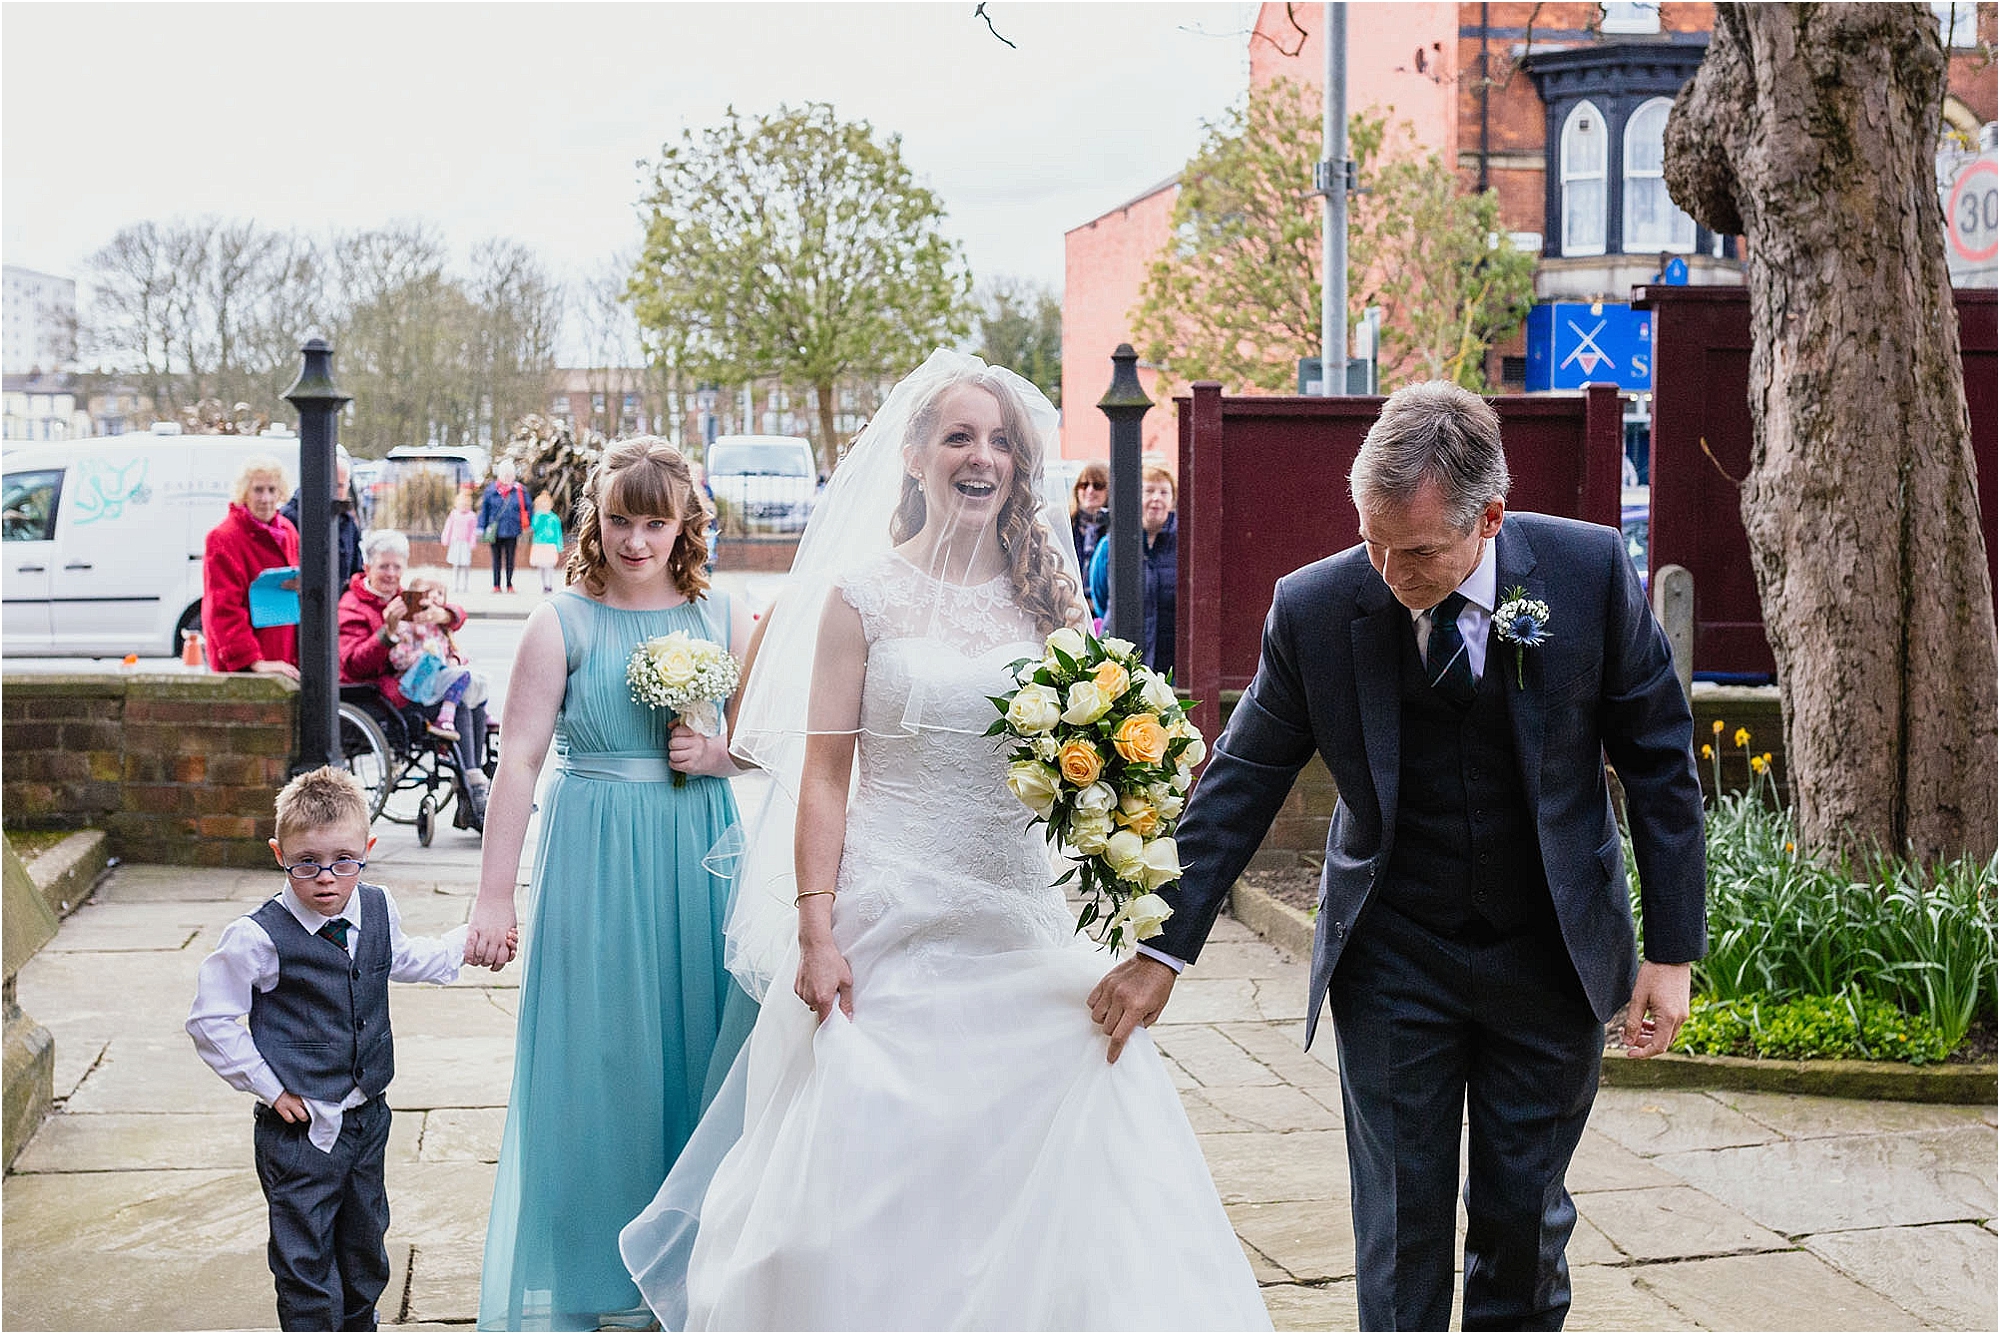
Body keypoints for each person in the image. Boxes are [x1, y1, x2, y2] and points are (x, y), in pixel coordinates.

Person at [616, 350, 1269, 1331]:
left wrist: (1139, 815)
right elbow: (825, 777)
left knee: (1069, 1173)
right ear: (916, 453)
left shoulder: (1047, 599)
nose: (982, 456)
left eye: (1001, 440)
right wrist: (815, 930)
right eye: (960, 435)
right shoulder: (858, 596)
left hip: (1019, 916)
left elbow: (1095, 762)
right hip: (887, 917)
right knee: (858, 1189)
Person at [1090, 381, 1707, 1330]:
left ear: (1489, 520)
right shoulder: (1314, 606)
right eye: (1372, 541)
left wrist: (1671, 954)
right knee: (1398, 1226)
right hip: (1394, 956)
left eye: (1414, 552)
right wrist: (1160, 949)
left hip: (1552, 956)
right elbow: (1244, 777)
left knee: (1522, 1224)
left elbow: (1662, 764)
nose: (1385, 571)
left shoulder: (1585, 575)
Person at [464, 437, 760, 1331]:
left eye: (655, 522)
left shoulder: (725, 616)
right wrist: (493, 895)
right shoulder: (562, 620)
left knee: (700, 1053)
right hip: (595, 854)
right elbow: (515, 763)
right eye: (621, 520)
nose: (636, 541)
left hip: (699, 856)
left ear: (685, 526)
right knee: (601, 1063)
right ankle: (599, 1281)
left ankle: (689, 1271)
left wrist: (713, 754)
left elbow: (771, 744)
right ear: (598, 520)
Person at [185, 767, 513, 1331]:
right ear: (279, 854)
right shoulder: (259, 937)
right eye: (306, 862)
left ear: (368, 850)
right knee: (304, 1257)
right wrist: (270, 1086)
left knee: (365, 1245)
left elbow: (410, 958)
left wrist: (471, 944)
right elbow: (211, 1019)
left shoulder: (377, 909)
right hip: (300, 1132)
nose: (326, 878)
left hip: (367, 1120)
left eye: (344, 860)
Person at [337, 530, 491, 822]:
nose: (391, 574)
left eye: (397, 567)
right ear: (367, 568)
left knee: (470, 697)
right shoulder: (351, 607)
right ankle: (474, 790)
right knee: (460, 703)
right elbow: (355, 664)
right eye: (384, 566)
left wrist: (443, 615)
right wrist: (387, 633)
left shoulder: (405, 598)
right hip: (381, 695)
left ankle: (474, 785)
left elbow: (454, 611)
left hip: (413, 683)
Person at [203, 455, 301, 679]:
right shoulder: (223, 538)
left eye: (271, 489)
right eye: (258, 490)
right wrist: (252, 660)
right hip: (247, 665)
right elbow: (223, 608)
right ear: (244, 492)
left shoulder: (288, 531)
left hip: (283, 654)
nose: (265, 498)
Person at [1087, 463, 1178, 674]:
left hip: (1171, 665)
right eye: (1149, 491)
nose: (1156, 498)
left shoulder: (1185, 546)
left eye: (1164, 492)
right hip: (1120, 665)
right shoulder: (1111, 545)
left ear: (1172, 500)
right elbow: (1101, 595)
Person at [391, 572, 490, 743]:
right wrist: (423, 653)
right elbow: (399, 657)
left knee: (477, 681)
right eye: (429, 592)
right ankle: (446, 715)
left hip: (442, 674)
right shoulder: (409, 625)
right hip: (420, 681)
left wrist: (455, 659)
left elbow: (454, 649)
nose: (434, 597)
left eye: (440, 593)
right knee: (463, 691)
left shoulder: (440, 626)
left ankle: (474, 764)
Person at [279, 448, 364, 589]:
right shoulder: (290, 518)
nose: (333, 492)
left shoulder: (347, 522)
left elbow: (356, 572)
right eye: (329, 485)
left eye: (340, 486)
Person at [479, 460, 531, 593]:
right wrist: (481, 527)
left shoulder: (520, 490)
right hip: (495, 530)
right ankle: (496, 585)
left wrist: (527, 523)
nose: (508, 476)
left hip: (512, 530)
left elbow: (528, 508)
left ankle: (509, 584)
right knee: (496, 559)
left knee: (510, 559)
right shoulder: (491, 490)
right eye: (505, 474)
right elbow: (484, 510)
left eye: (510, 474)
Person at [1068, 458, 1109, 570]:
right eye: (1084, 485)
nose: (1090, 491)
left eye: (1098, 485)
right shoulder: (1067, 523)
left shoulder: (1114, 527)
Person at [441, 490, 480, 595]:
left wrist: (472, 542)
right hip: (455, 543)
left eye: (465, 504)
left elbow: (473, 531)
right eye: (461, 504)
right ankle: (455, 584)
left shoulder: (471, 516)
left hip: (465, 544)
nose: (463, 506)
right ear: (457, 503)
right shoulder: (453, 514)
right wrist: (445, 538)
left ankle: (465, 585)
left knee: (465, 565)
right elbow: (448, 527)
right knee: (456, 565)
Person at [527, 492, 564, 594]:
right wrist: (539, 517)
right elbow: (534, 527)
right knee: (542, 566)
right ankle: (544, 585)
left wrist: (559, 545)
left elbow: (558, 533)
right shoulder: (537, 516)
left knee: (550, 566)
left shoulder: (554, 518)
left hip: (550, 544)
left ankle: (549, 585)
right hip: (539, 544)